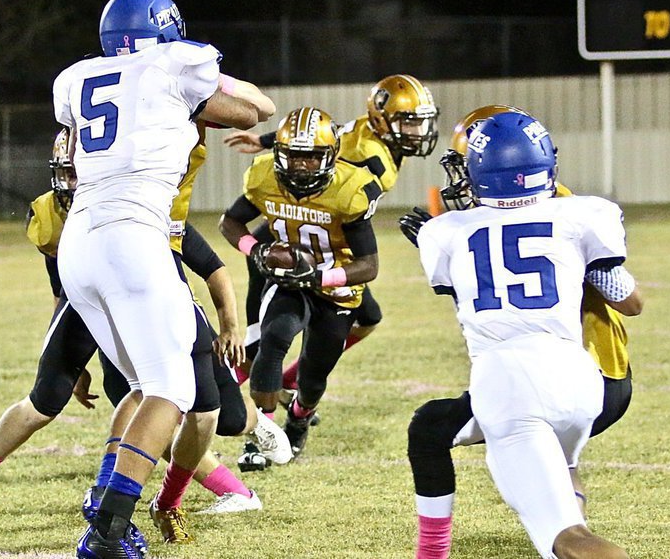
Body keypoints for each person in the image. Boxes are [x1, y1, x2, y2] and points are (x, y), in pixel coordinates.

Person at [0, 122, 284, 549]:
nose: (76, 183)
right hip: (91, 304)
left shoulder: (145, 201)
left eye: (83, 170)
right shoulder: (50, 214)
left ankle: (169, 501)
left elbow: (209, 265)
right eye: (69, 172)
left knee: (206, 413)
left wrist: (228, 324)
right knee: (46, 400)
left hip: (158, 302)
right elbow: (64, 287)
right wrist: (71, 359)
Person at [53, 0, 272, 558]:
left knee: (147, 386)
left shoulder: (76, 78)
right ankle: (105, 533)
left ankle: (106, 503)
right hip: (133, 236)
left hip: (79, 241)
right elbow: (256, 110)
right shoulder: (175, 65)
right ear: (167, 31)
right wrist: (215, 80)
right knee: (172, 389)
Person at [408, 111, 642, 559]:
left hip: (511, 383)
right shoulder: (580, 212)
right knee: (563, 481)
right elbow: (621, 290)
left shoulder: (445, 232)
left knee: (568, 539)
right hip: (578, 375)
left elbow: (473, 301)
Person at [224, 74, 438, 405]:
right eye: (408, 122)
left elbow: (326, 131)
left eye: (418, 123)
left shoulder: (369, 129)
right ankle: (245, 374)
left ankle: (285, 378)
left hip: (324, 231)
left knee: (368, 318)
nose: (416, 132)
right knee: (267, 315)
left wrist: (266, 141)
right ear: (383, 117)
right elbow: (318, 174)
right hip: (301, 223)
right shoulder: (371, 158)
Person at [219, 106, 382, 455]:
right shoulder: (264, 176)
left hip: (337, 290)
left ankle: (298, 418)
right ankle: (261, 437)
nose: (300, 165)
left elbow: (368, 266)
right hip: (289, 282)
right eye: (292, 156)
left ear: (331, 156)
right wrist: (256, 250)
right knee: (272, 341)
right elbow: (229, 223)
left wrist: (320, 275)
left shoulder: (349, 189)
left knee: (313, 376)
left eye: (310, 157)